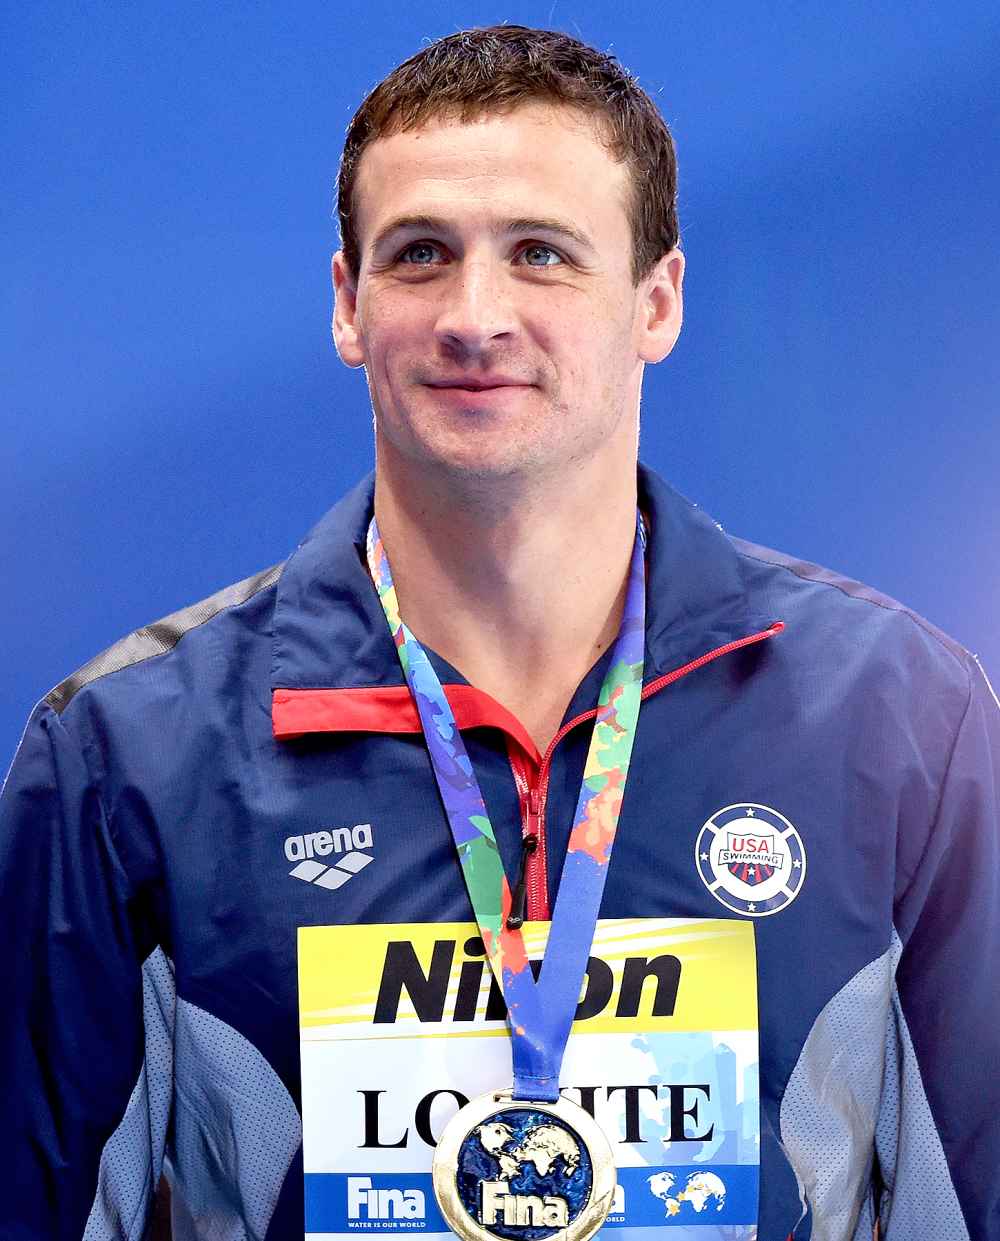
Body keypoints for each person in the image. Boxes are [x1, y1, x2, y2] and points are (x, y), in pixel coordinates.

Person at [2, 23, 998, 1241]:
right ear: (347, 303)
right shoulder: (128, 752)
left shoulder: (901, 720)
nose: (476, 315)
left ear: (657, 300)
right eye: (420, 254)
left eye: (540, 253)